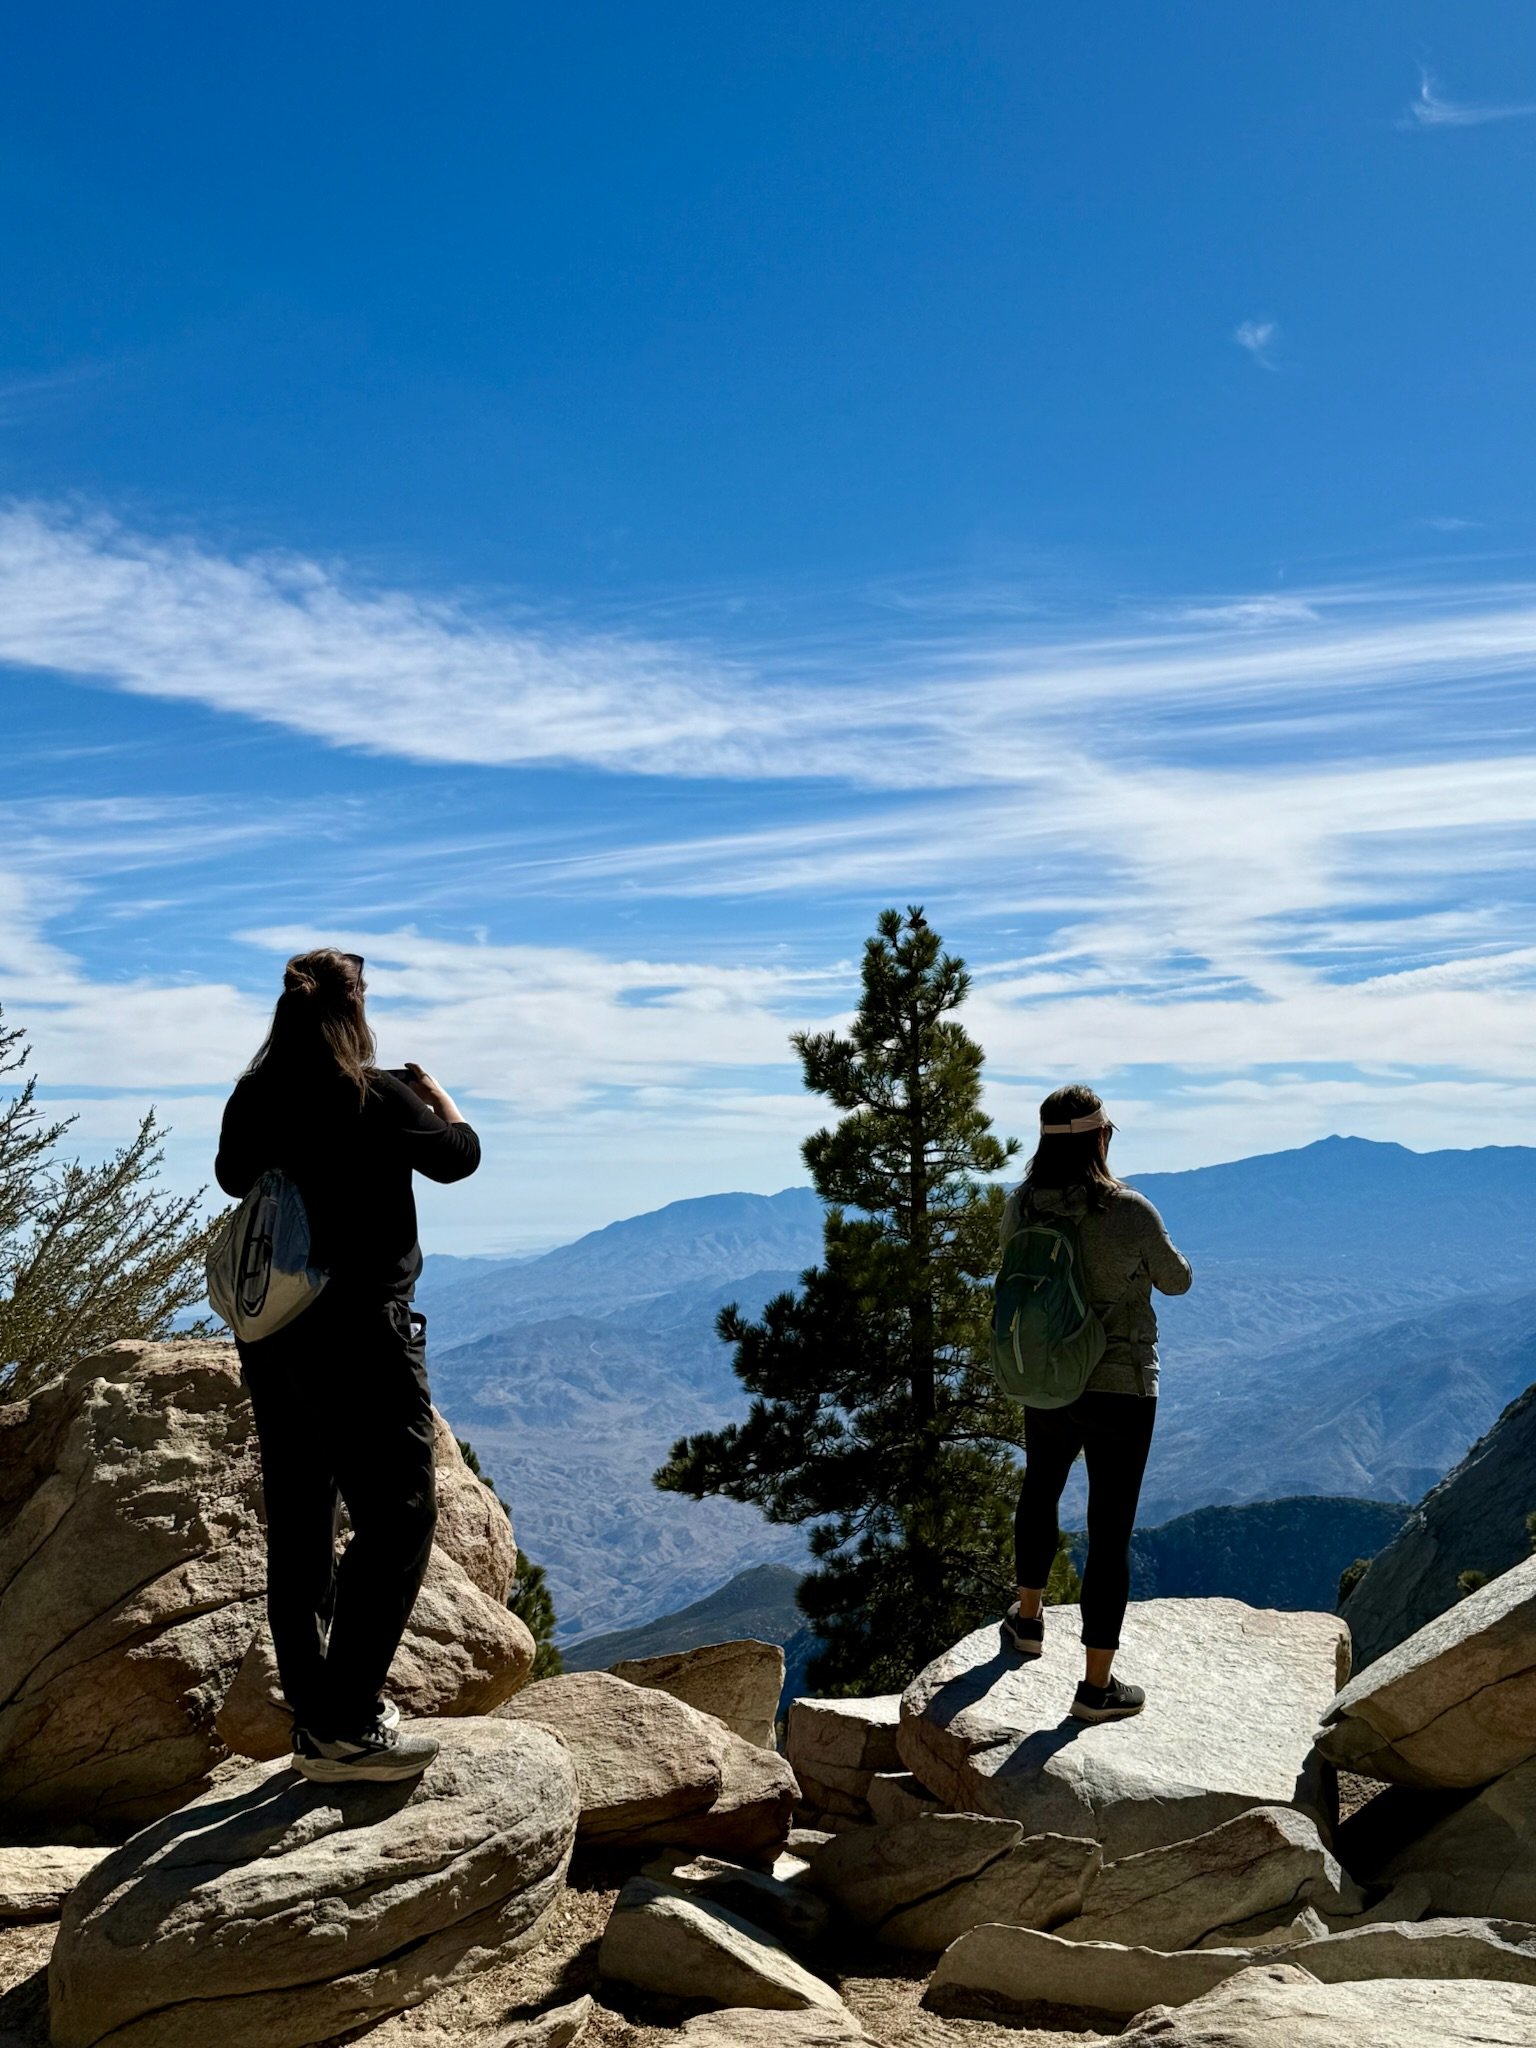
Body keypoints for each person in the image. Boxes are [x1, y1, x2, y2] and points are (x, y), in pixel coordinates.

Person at [215, 948, 480, 1783]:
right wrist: (441, 1098)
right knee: (397, 1520)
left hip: (275, 1333)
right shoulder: (376, 1093)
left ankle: (315, 1723)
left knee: (300, 1522)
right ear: (354, 1010)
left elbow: (230, 1178)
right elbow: (458, 1157)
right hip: (364, 1333)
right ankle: (347, 1724)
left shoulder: (256, 1093)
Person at [1001, 1083, 1191, 1723]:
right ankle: (1095, 1688)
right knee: (1110, 1532)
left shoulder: (1023, 1206)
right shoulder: (1130, 1210)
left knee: (1039, 1489)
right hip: (1121, 1386)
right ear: (1100, 1137)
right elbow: (1177, 1280)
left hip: (1048, 1377)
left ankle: (1027, 1622)